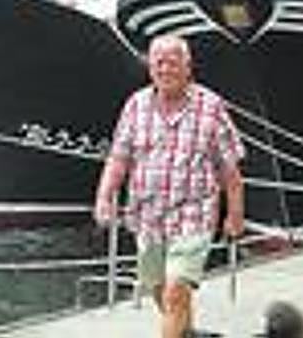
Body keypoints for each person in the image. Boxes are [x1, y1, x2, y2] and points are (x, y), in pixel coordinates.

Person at [94, 34, 246, 338]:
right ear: (149, 67)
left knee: (176, 291)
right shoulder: (135, 105)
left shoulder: (210, 107)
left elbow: (229, 168)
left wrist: (235, 213)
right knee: (160, 289)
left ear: (188, 67)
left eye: (172, 62)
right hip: (147, 216)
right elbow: (119, 159)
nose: (165, 69)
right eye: (158, 63)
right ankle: (187, 334)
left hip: (193, 214)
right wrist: (104, 196)